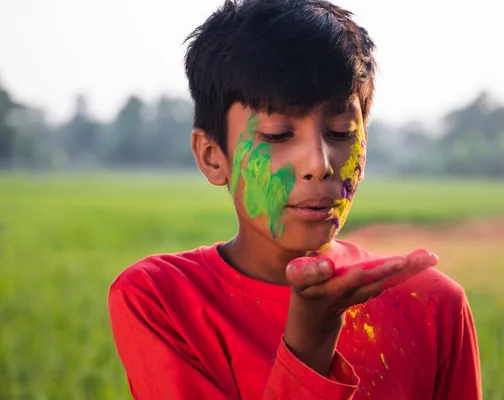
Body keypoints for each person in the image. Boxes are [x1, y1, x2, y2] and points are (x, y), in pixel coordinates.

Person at [107, 0, 482, 399]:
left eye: (340, 132)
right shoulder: (162, 299)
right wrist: (310, 342)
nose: (318, 165)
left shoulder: (430, 304)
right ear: (213, 156)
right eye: (278, 134)